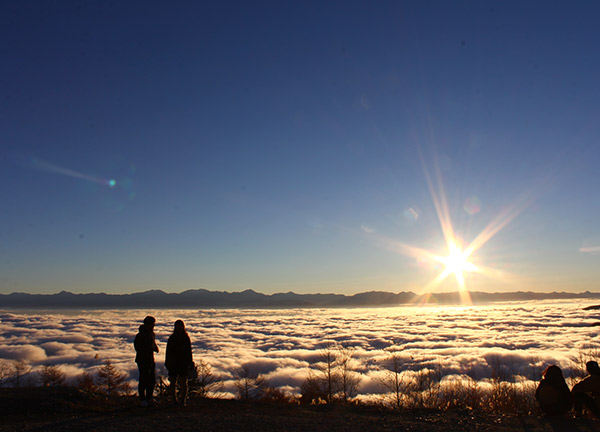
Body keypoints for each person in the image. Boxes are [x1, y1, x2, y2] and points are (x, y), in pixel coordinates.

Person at [165, 319, 193, 406]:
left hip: (183, 363)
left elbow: (189, 351)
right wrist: (168, 362)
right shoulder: (172, 338)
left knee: (183, 382)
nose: (179, 328)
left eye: (180, 326)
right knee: (173, 382)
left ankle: (182, 400)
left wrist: (190, 361)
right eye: (178, 326)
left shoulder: (185, 338)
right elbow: (168, 352)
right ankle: (174, 400)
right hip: (174, 363)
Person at [134, 316, 159, 406]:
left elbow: (152, 343)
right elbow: (138, 348)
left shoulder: (151, 334)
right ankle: (142, 399)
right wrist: (150, 348)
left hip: (150, 360)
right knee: (143, 379)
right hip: (142, 360)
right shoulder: (140, 335)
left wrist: (155, 348)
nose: (153, 326)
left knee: (151, 379)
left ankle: (149, 397)